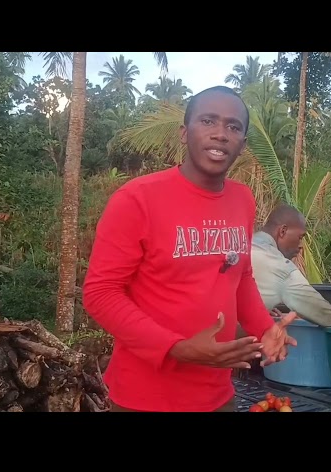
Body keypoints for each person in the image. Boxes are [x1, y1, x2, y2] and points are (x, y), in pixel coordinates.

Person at [82, 86, 298, 412]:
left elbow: (239, 278)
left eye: (233, 127)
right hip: (145, 398)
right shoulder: (137, 199)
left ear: (242, 144)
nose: (220, 134)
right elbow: (101, 294)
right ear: (185, 133)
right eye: (208, 121)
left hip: (219, 396)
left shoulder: (242, 199)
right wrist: (175, 348)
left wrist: (265, 329)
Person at [251, 203, 331, 328]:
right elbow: (320, 311)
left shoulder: (242, 244)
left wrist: (259, 310)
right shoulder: (277, 265)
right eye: (300, 237)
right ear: (282, 231)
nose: (301, 245)